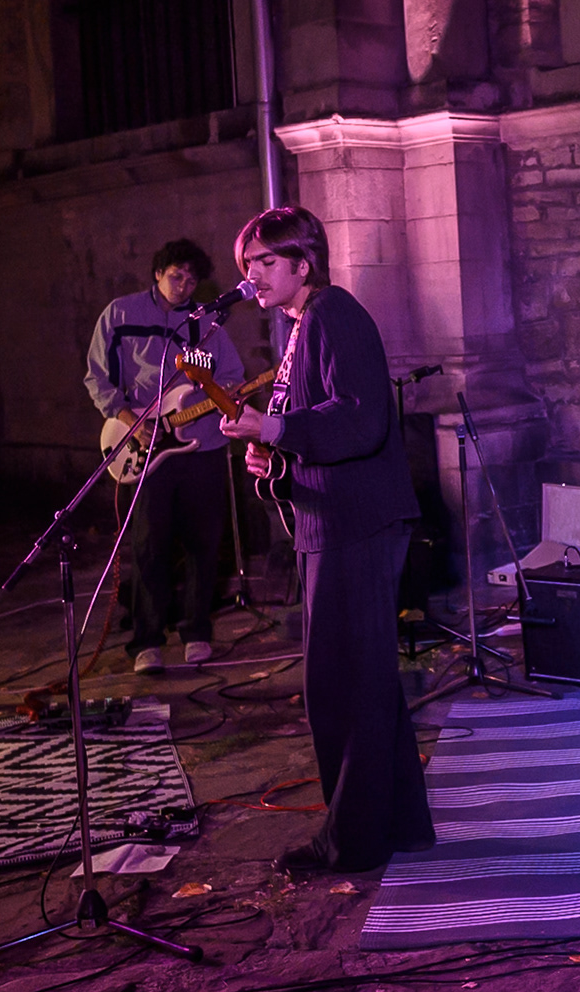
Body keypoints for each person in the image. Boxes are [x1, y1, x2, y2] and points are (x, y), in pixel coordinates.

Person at [218, 206, 433, 873]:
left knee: (343, 685)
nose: (252, 276)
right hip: (332, 520)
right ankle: (398, 824)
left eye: (265, 262)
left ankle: (353, 843)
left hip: (356, 524)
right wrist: (276, 462)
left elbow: (361, 420)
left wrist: (276, 430)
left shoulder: (334, 314)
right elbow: (316, 434)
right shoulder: (300, 326)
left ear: (303, 262)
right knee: (362, 682)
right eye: (247, 264)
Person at [84, 239, 244, 674]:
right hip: (144, 442)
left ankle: (196, 632)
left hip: (201, 446)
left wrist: (226, 394)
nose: (184, 285)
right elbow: (97, 376)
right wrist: (127, 418)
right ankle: (147, 640)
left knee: (203, 543)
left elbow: (233, 376)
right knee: (149, 545)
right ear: (157, 273)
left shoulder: (206, 322)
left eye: (192, 279)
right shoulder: (120, 314)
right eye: (176, 275)